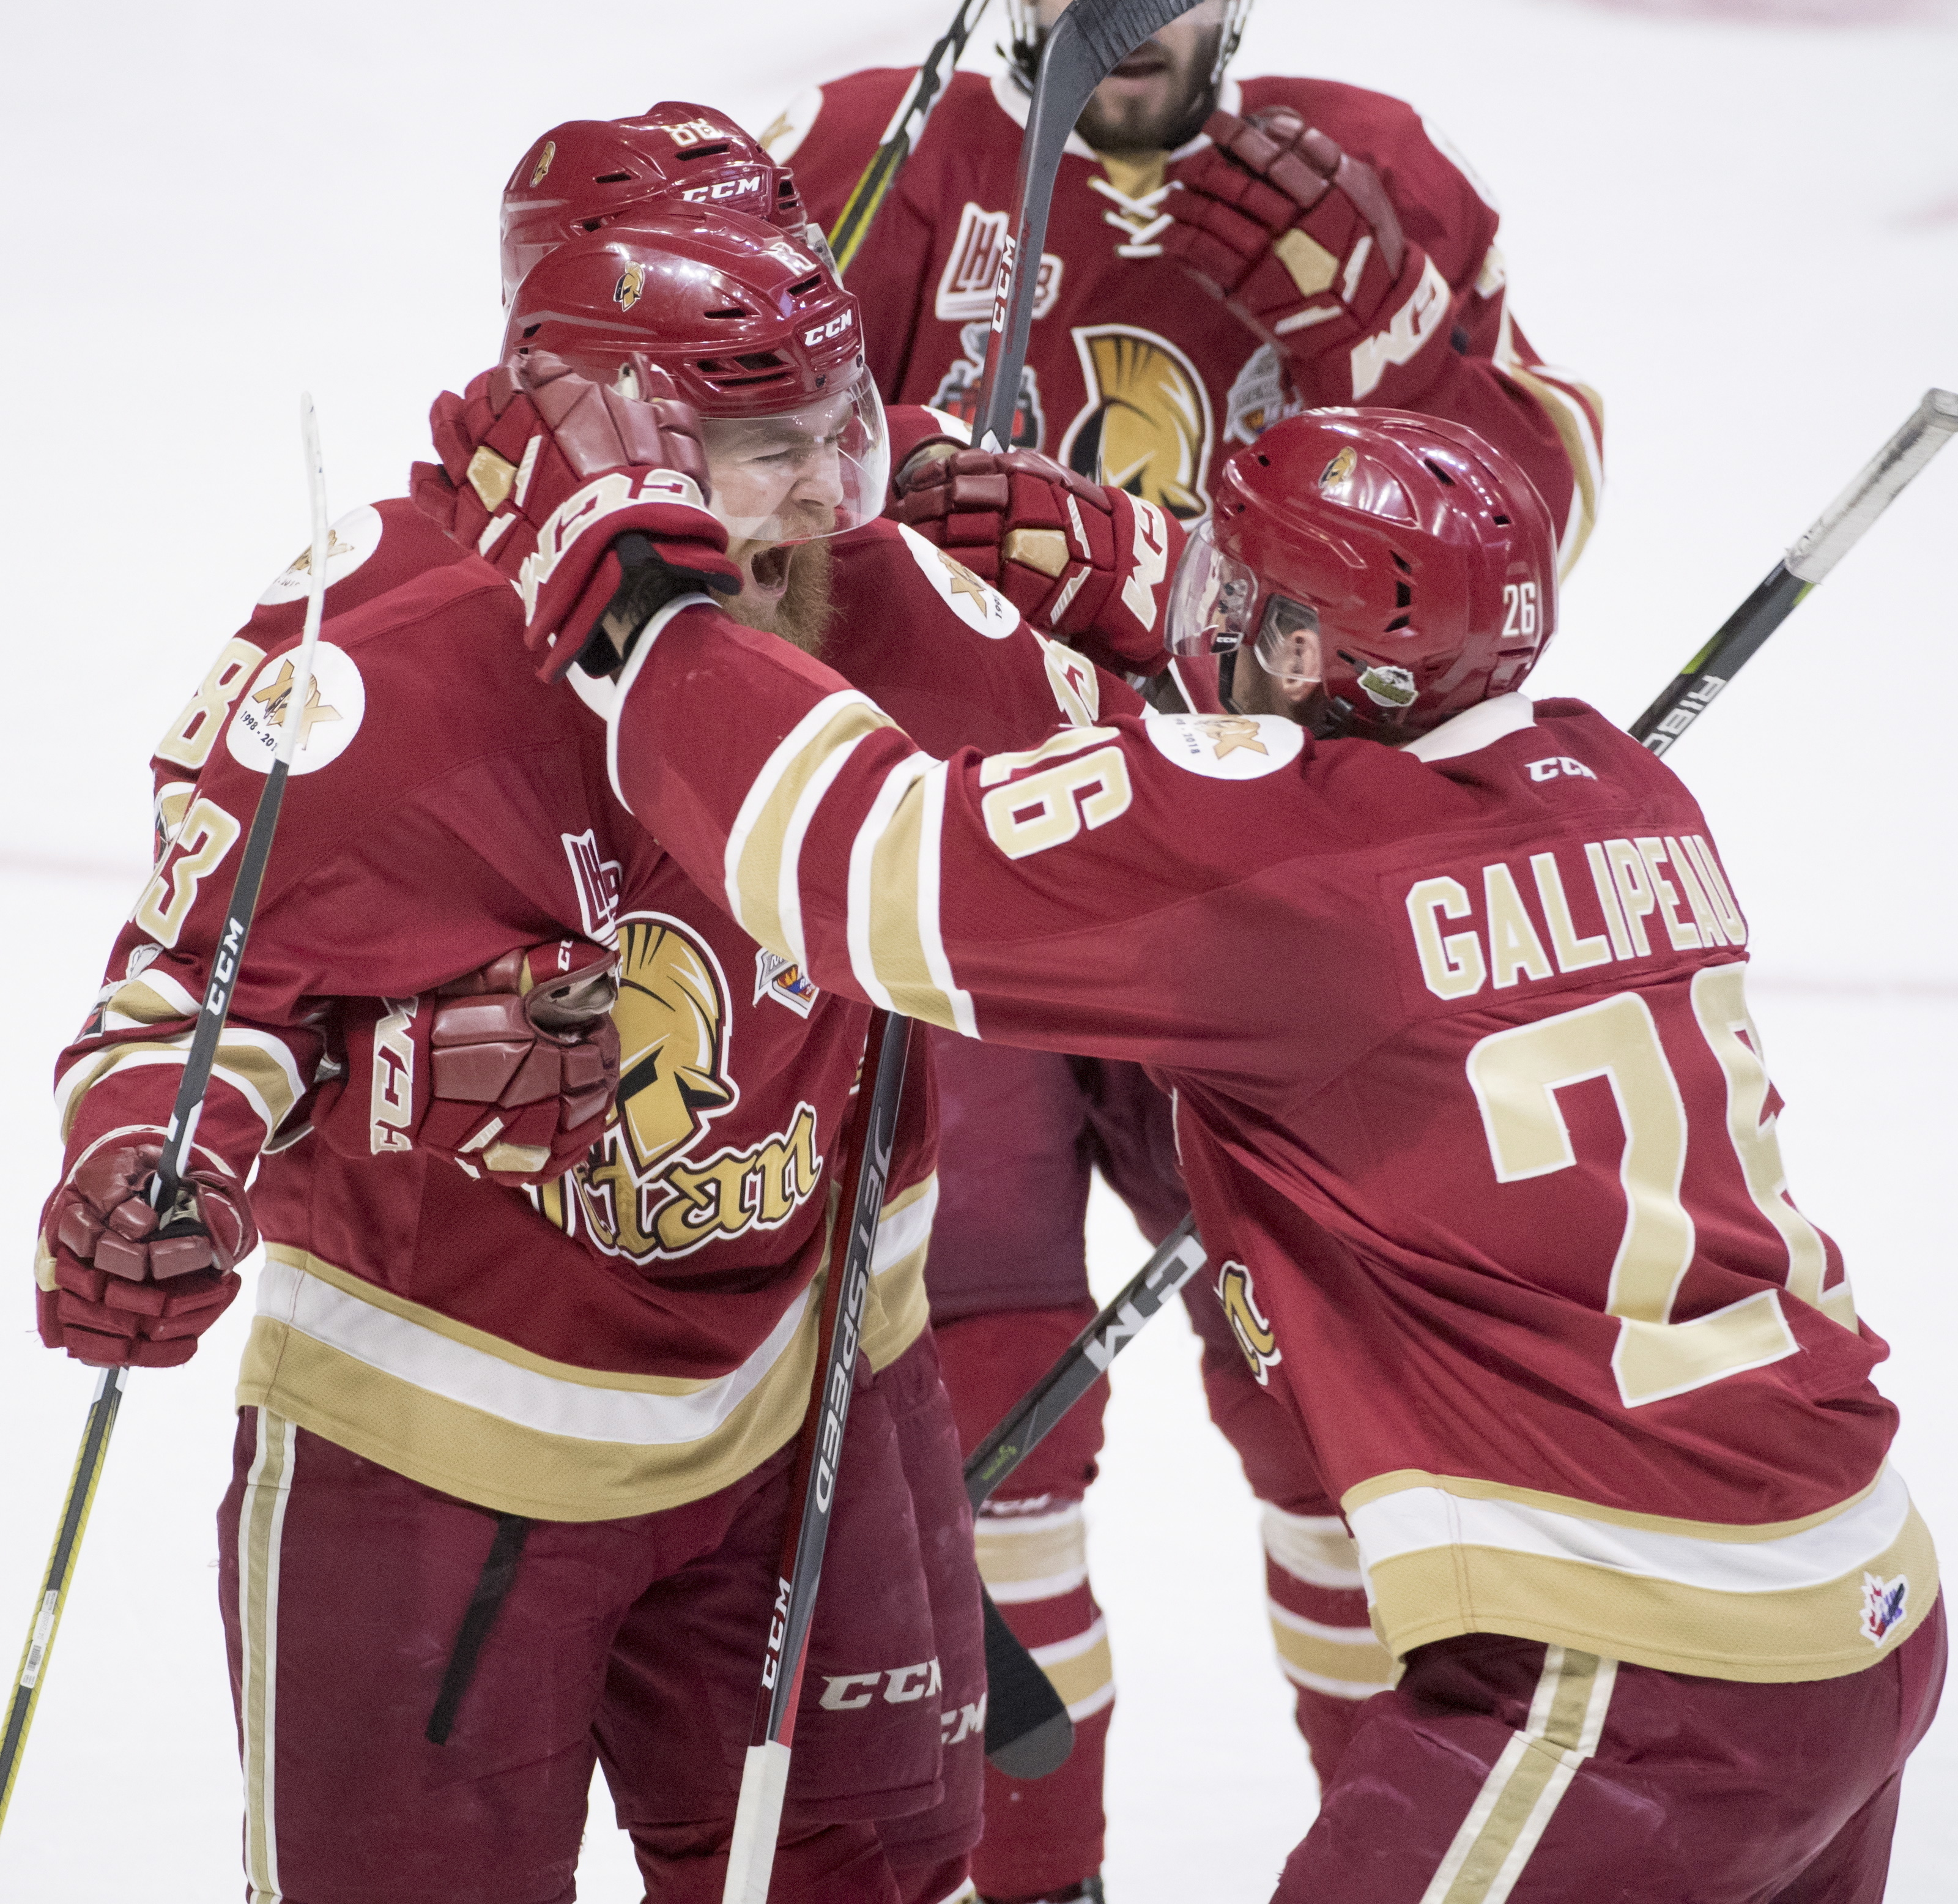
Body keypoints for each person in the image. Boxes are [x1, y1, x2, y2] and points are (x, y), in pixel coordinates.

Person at [478, 392, 1942, 1903]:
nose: (1214, 620)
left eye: (1240, 598)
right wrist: (1098, 551)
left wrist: (657, 624)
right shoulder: (1620, 787)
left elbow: (861, 862)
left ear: (1310, 651)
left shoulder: (1289, 871)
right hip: (1858, 1600)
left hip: (1631, 1673)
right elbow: (1282, 765)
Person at [34, 176, 1171, 1903]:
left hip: (815, 1392)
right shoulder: (372, 668)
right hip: (447, 1449)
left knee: (878, 1876)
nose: (824, 494)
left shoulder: (889, 598)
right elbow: (200, 1000)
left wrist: (1157, 584)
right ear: (609, 432)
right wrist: (157, 1170)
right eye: (765, 443)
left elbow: (1214, 811)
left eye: (836, 427)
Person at [769, 0, 1609, 1894]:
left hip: (1278, 902)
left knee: (1366, 1443)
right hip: (993, 903)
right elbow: (742, 496)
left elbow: (1534, 535)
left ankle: (1415, 1851)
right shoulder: (879, 163)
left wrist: (1377, 324)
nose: (1133, 18)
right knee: (983, 1452)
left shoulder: (1365, 180)